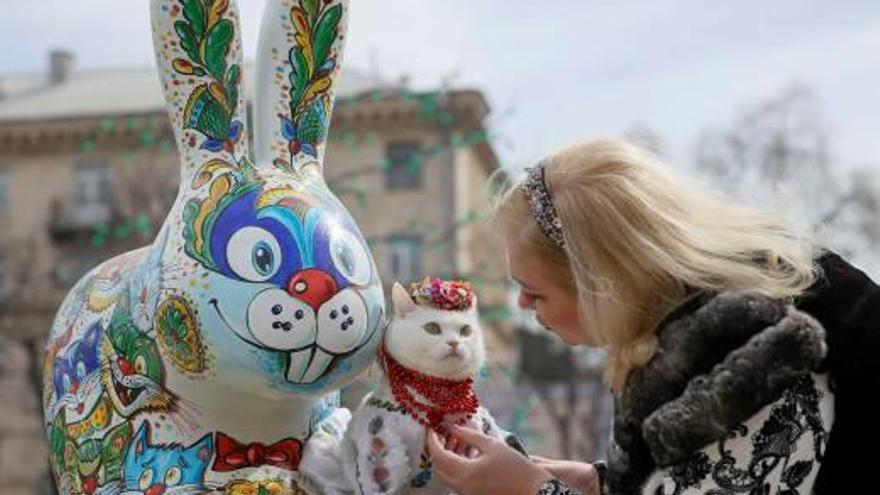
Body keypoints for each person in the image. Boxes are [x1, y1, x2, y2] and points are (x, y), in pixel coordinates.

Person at [425, 138, 880, 494]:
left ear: (600, 285)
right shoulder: (673, 332)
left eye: (534, 291)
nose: (522, 306)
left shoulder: (741, 349)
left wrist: (531, 490)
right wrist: (598, 482)